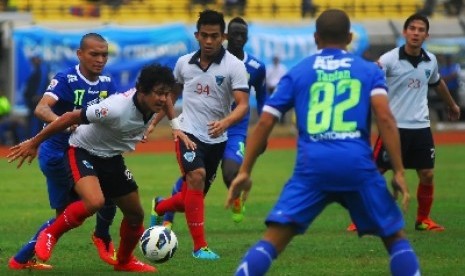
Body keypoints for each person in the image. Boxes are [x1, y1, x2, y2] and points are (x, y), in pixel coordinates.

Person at [226, 9, 421, 276]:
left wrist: (246, 171)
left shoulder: (299, 72)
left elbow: (265, 122)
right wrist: (398, 170)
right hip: (357, 166)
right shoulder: (367, 70)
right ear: (350, 37)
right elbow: (385, 119)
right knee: (395, 237)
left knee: (271, 241)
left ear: (316, 38)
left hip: (312, 168)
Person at [7, 63, 193, 272]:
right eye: (158, 93)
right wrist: (34, 142)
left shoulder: (157, 101)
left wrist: (176, 128)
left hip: (111, 158)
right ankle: (50, 233)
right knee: (95, 202)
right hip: (81, 150)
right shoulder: (115, 108)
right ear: (142, 91)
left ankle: (123, 262)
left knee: (135, 215)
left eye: (165, 93)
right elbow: (70, 117)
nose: (163, 98)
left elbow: (167, 100)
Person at [8, 33, 119, 270]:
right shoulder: (66, 78)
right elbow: (41, 108)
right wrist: (64, 122)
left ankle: (20, 259)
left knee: (76, 212)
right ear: (80, 54)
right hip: (57, 154)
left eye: (104, 55)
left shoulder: (107, 84)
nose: (100, 59)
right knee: (92, 202)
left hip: (83, 153)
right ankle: (102, 238)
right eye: (94, 54)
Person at [347, 13, 461, 233]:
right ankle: (360, 219)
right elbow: (372, 75)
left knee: (427, 173)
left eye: (420, 30)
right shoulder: (390, 58)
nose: (416, 33)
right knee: (374, 172)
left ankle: (423, 220)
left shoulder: (431, 61)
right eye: (412, 29)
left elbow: (437, 84)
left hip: (420, 127)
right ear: (404, 32)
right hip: (394, 128)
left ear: (426, 35)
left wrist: (452, 105)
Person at [151, 9, 249, 260]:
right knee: (196, 176)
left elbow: (243, 104)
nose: (208, 41)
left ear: (223, 37)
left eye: (214, 36)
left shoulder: (235, 67)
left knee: (188, 201)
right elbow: (171, 97)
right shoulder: (183, 63)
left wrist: (225, 123)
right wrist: (154, 122)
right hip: (188, 133)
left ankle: (160, 205)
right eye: (204, 35)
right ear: (197, 35)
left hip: (217, 140)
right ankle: (199, 247)